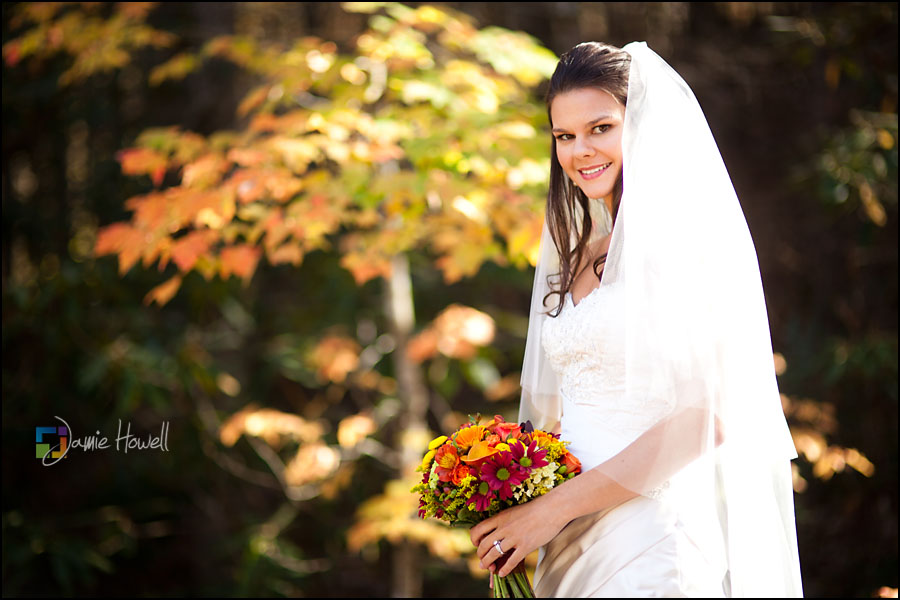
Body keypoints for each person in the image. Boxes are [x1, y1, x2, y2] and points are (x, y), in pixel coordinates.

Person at [469, 41, 804, 597]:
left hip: (651, 533)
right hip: (567, 537)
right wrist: (504, 490)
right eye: (564, 136)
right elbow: (559, 411)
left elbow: (707, 418)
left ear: (642, 125)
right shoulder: (579, 255)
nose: (581, 150)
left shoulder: (680, 247)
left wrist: (549, 511)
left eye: (600, 128)